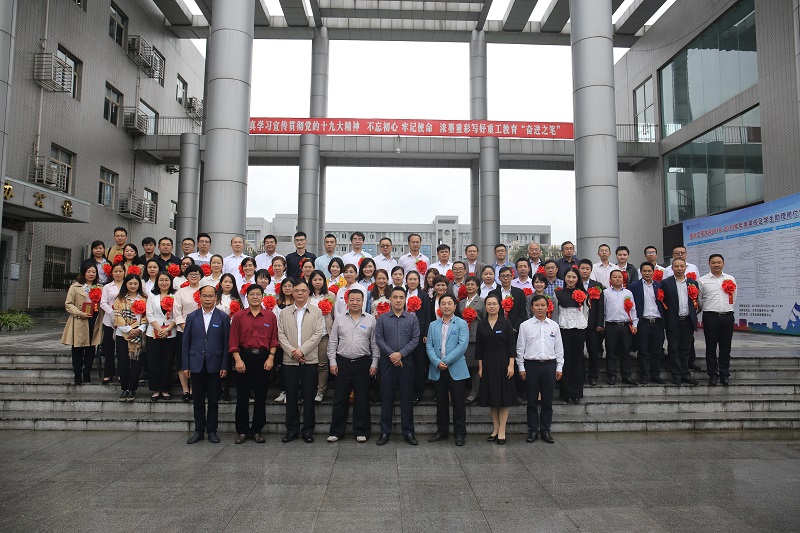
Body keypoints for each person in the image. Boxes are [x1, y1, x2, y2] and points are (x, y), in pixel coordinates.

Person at [327, 288, 379, 443]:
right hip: (342, 363)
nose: (355, 302)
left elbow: (374, 344)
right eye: (352, 300)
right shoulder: (339, 319)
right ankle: (336, 431)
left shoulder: (370, 320)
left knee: (362, 399)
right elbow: (333, 342)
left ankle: (361, 431)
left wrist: (374, 363)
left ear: (363, 302)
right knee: (340, 399)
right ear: (347, 301)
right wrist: (332, 361)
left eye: (358, 300)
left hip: (363, 363)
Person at [229, 284, 278, 444]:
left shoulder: (270, 316)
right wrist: (237, 359)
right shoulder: (239, 316)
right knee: (242, 397)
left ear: (263, 296)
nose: (255, 297)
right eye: (252, 294)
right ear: (247, 297)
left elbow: (274, 339)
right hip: (243, 357)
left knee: (261, 396)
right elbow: (233, 340)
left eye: (258, 294)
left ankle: (257, 430)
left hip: (263, 358)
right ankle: (242, 431)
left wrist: (271, 357)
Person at [277, 279, 324, 443]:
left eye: (303, 291)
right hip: (290, 361)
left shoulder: (316, 312)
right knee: (290, 396)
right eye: (296, 290)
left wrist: (301, 351)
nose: (300, 293)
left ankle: (308, 431)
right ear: (292, 292)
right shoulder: (284, 312)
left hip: (309, 360)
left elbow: (318, 334)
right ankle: (292, 430)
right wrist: (293, 352)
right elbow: (281, 335)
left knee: (309, 396)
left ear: (308, 292)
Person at [183, 285, 230, 444]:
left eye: (211, 296)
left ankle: (212, 430)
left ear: (216, 297)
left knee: (213, 400)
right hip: (196, 363)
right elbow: (186, 343)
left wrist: (224, 365)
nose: (208, 299)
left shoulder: (223, 317)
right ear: (200, 297)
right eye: (205, 296)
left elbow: (226, 344)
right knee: (197, 400)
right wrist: (186, 365)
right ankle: (198, 431)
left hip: (215, 364)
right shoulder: (192, 317)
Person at [375, 286, 421, 446]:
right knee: (386, 397)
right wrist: (392, 355)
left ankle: (408, 432)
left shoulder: (412, 319)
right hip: (387, 362)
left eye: (401, 297)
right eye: (395, 297)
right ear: (390, 300)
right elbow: (379, 339)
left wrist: (400, 354)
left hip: (406, 362)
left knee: (406, 398)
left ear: (405, 299)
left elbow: (415, 339)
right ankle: (384, 432)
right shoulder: (382, 318)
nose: (398, 300)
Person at [517, 295, 563, 444]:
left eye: (543, 305)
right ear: (532, 307)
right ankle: (532, 430)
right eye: (537, 305)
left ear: (548, 307)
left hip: (549, 365)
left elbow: (559, 348)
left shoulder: (554, 325)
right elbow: (520, 348)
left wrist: (559, 367)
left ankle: (545, 430)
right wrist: (521, 367)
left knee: (547, 401)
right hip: (531, 366)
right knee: (531, 400)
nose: (540, 308)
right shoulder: (525, 326)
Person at [426, 294, 470, 446]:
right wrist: (437, 362)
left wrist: (445, 361)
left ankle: (460, 434)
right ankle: (442, 431)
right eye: (443, 303)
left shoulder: (461, 323)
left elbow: (462, 345)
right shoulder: (433, 325)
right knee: (441, 403)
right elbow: (429, 346)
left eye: (449, 303)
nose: (446, 306)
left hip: (456, 368)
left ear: (455, 306)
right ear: (439, 306)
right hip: (438, 369)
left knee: (458, 403)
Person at [476, 294, 515, 445]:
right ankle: (495, 429)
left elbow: (511, 346)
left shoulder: (506, 323)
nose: (492, 306)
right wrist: (481, 367)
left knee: (503, 398)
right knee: (492, 397)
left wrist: (511, 365)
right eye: (489, 304)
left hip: (503, 363)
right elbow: (479, 349)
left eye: (494, 304)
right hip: (487, 364)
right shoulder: (482, 324)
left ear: (499, 306)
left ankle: (502, 430)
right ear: (485, 306)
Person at [61, 262, 104, 385]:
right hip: (80, 319)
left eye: (93, 272)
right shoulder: (75, 287)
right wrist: (79, 313)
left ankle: (87, 372)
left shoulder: (100, 287)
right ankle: (77, 374)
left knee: (91, 348)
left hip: (94, 319)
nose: (91, 274)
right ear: (84, 273)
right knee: (78, 348)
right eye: (88, 271)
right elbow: (68, 304)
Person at [660, 258, 700, 386]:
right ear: (672, 268)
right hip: (673, 321)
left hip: (687, 320)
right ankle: (676, 375)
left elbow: (696, 301)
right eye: (676, 266)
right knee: (674, 349)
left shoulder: (693, 283)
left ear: (685, 268)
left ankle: (685, 374)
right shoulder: (665, 283)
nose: (679, 269)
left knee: (685, 349)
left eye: (681, 266)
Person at [699, 254, 737, 386]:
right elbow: (700, 299)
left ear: (723, 263)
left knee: (725, 348)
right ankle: (712, 375)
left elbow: (734, 296)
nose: (716, 265)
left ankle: (724, 375)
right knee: (711, 347)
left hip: (727, 316)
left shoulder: (730, 279)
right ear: (709, 264)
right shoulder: (702, 280)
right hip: (710, 317)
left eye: (719, 262)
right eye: (714, 262)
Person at [596, 269, 638, 386]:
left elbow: (633, 309)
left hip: (625, 325)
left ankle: (626, 375)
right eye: (614, 277)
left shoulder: (628, 293)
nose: (617, 279)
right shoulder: (605, 293)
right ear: (610, 279)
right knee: (611, 352)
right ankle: (612, 376)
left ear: (623, 278)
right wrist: (602, 325)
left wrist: (634, 324)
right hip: (611, 326)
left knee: (626, 352)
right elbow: (602, 310)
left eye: (619, 277)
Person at [553, 269, 588, 404]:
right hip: (563, 329)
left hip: (579, 329)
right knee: (565, 360)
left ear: (577, 278)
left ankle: (577, 393)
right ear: (564, 278)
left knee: (578, 361)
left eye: (574, 277)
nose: (571, 279)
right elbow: (556, 313)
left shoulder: (583, 293)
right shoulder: (558, 293)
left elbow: (586, 312)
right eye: (568, 276)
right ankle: (566, 393)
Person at [172, 264, 205, 401]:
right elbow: (176, 311)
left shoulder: (205, 290)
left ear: (201, 276)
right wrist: (184, 326)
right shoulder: (181, 292)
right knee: (182, 359)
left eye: (197, 273)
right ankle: (185, 389)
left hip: (202, 332)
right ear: (186, 276)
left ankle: (194, 389)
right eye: (191, 274)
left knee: (197, 359)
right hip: (183, 330)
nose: (194, 276)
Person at [113, 274, 148, 401]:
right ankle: (124, 388)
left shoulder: (145, 298)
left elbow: (147, 316)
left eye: (135, 283)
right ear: (126, 284)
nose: (133, 286)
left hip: (139, 334)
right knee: (123, 362)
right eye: (130, 283)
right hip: (122, 335)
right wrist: (129, 330)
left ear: (139, 285)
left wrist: (139, 329)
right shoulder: (119, 299)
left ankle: (132, 389)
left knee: (136, 363)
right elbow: (117, 316)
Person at [630, 262, 666, 384]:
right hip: (643, 322)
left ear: (653, 272)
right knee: (642, 351)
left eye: (649, 271)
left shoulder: (659, 285)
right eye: (644, 271)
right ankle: (644, 375)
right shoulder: (634, 286)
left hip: (657, 322)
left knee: (656, 351)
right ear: (641, 272)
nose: (647, 273)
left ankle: (655, 375)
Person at [146, 270, 178, 400]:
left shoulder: (176, 295)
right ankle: (155, 389)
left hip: (171, 333)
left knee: (167, 362)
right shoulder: (152, 295)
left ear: (170, 282)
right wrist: (159, 329)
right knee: (153, 362)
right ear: (157, 282)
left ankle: (165, 389)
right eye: (161, 280)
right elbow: (149, 314)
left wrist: (168, 329)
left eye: (166, 280)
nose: (164, 283)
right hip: (153, 332)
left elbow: (178, 314)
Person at [405, 270, 431, 403]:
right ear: (406, 281)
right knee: (407, 363)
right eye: (410, 279)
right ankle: (407, 390)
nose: (412, 281)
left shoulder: (424, 295)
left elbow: (427, 315)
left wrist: (425, 333)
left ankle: (418, 391)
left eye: (415, 279)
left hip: (419, 332)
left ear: (419, 281)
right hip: (404, 332)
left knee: (419, 363)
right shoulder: (402, 294)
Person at [457, 275, 484, 403]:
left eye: (473, 284)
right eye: (468, 284)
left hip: (475, 337)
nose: (470, 286)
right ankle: (465, 391)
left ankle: (475, 392)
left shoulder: (482, 301)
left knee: (474, 366)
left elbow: (484, 320)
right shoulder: (461, 302)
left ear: (477, 286)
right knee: (464, 365)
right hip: (462, 338)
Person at [309, 270, 334, 402]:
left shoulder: (330, 295)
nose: (317, 282)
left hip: (325, 334)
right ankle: (309, 390)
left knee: (323, 363)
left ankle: (320, 391)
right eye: (315, 280)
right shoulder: (307, 296)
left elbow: (334, 315)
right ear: (311, 281)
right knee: (309, 363)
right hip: (309, 335)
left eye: (320, 279)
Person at [578, 259, 604, 386]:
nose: (584, 271)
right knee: (578, 352)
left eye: (587, 269)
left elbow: (600, 306)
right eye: (582, 268)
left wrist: (600, 323)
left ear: (591, 270)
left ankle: (593, 376)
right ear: (578, 269)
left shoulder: (597, 285)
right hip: (578, 324)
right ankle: (580, 375)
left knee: (593, 351)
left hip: (593, 324)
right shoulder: (574, 283)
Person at [100, 262, 126, 384]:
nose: (118, 273)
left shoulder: (128, 285)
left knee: (122, 349)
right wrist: (113, 314)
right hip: (109, 320)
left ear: (124, 272)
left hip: (125, 321)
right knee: (108, 348)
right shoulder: (107, 287)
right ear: (112, 273)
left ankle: (122, 373)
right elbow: (103, 303)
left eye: (120, 271)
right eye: (115, 271)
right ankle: (108, 373)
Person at [271, 278, 294, 403]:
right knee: (282, 367)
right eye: (285, 286)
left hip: (294, 340)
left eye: (290, 286)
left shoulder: (298, 303)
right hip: (280, 340)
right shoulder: (277, 304)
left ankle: (292, 392)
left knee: (293, 368)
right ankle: (283, 391)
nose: (287, 288)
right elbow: (274, 322)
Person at [490, 266, 527, 334]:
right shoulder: (493, 293)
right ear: (499, 278)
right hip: (497, 329)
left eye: (508, 275)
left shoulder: (519, 293)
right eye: (503, 276)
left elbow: (522, 313)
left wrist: (515, 328)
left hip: (515, 330)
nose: (505, 278)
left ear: (512, 277)